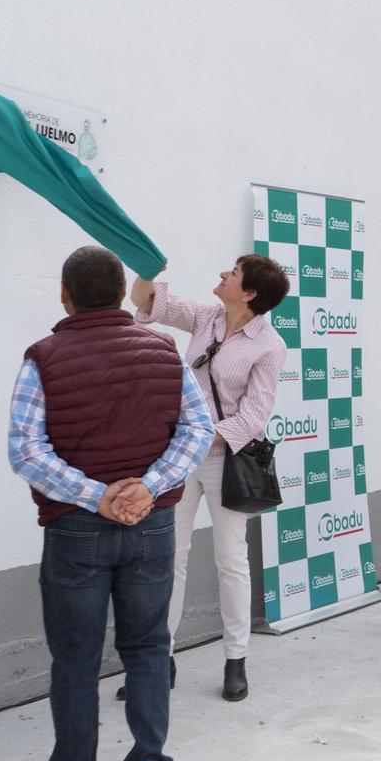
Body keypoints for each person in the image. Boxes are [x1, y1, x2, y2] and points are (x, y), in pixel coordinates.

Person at [10, 246, 214, 761]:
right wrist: (148, 488)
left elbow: (25, 449)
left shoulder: (43, 357)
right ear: (122, 293)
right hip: (152, 523)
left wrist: (96, 494)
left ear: (64, 295)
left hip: (75, 528)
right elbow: (197, 430)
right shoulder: (164, 350)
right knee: (148, 646)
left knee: (75, 659)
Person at [128, 255, 288, 705]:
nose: (222, 274)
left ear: (251, 293)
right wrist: (145, 262)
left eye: (233, 274)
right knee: (167, 558)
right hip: (179, 459)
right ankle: (161, 659)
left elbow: (253, 417)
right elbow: (146, 299)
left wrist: (197, 438)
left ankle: (235, 659)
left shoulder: (269, 346)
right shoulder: (205, 317)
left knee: (231, 560)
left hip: (223, 461)